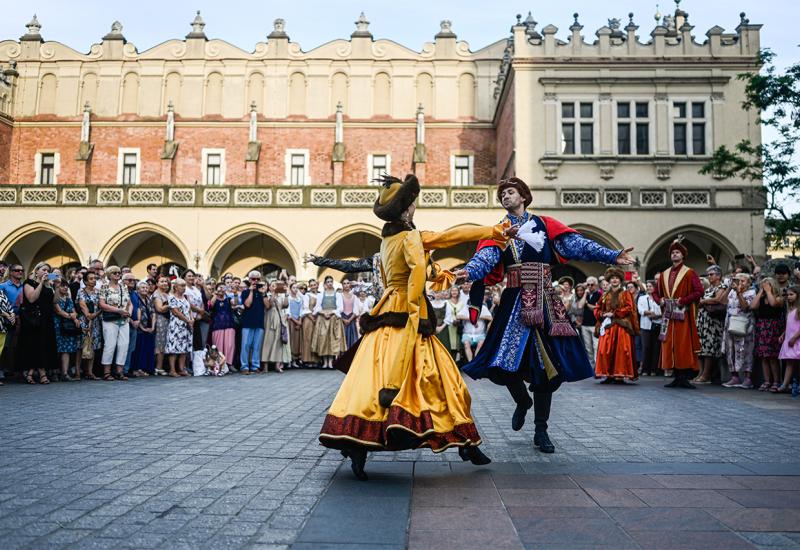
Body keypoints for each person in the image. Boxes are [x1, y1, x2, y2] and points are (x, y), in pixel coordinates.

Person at [320, 174, 511, 480]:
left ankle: (359, 444)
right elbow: (452, 236)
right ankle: (464, 440)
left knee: (370, 381)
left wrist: (447, 275)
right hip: (408, 316)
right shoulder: (411, 237)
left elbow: (421, 270)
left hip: (385, 314)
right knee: (446, 380)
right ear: (407, 208)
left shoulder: (386, 243)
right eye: (413, 204)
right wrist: (495, 230)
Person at [457, 177, 634, 454]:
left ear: (524, 196)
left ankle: (541, 429)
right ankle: (522, 401)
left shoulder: (544, 224)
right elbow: (485, 259)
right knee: (501, 362)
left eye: (511, 192)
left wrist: (612, 255)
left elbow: (578, 245)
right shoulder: (499, 230)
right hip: (514, 302)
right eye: (502, 194)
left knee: (546, 368)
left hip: (545, 302)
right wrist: (469, 271)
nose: (505, 197)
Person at [652, 238, 703, 389]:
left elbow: (699, 291)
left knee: (682, 344)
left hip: (683, 316)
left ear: (683, 255)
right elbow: (655, 293)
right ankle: (675, 376)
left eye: (677, 252)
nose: (674, 254)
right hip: (668, 315)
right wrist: (659, 300)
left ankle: (684, 377)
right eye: (673, 252)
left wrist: (683, 301)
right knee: (670, 344)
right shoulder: (664, 274)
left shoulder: (690, 273)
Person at [18, 262, 58, 384]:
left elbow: (55, 301)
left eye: (48, 270)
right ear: (36, 271)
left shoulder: (48, 285)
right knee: (35, 346)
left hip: (47, 319)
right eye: (44, 270)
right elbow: (32, 298)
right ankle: (42, 374)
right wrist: (41, 282)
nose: (46, 272)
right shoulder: (29, 283)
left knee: (44, 346)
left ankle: (31, 373)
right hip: (33, 320)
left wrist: (55, 286)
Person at [594, 267, 636, 384]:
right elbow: (597, 308)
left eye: (617, 278)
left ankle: (619, 375)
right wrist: (602, 314)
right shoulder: (605, 295)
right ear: (609, 280)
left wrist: (614, 313)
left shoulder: (626, 293)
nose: (614, 280)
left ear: (620, 280)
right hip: (608, 326)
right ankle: (608, 375)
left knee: (621, 351)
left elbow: (629, 308)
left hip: (621, 326)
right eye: (612, 278)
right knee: (605, 350)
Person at [722, 273, 756, 389]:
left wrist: (739, 292)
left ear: (748, 283)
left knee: (746, 350)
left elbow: (745, 307)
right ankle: (734, 377)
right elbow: (722, 302)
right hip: (730, 324)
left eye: (743, 281)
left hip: (744, 325)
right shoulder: (732, 291)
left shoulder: (751, 293)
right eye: (738, 281)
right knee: (730, 350)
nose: (740, 283)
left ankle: (748, 378)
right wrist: (729, 288)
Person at [694, 265, 728, 383]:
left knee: (709, 348)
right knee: (701, 347)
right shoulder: (708, 289)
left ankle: (706, 374)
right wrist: (703, 302)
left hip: (713, 322)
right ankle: (701, 372)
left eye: (711, 274)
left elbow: (718, 299)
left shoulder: (723, 286)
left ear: (718, 275)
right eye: (708, 275)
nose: (709, 277)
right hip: (702, 320)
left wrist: (704, 301)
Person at [98, 266, 132, 381]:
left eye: (119, 272)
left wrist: (128, 313)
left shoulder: (124, 287)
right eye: (115, 273)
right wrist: (118, 310)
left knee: (124, 345)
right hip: (110, 319)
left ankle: (119, 371)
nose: (118, 274)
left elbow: (129, 303)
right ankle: (106, 372)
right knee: (110, 345)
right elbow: (101, 304)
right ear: (109, 275)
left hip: (124, 320)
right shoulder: (104, 287)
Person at [751, 277, 785, 392]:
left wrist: (769, 292)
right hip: (762, 327)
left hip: (773, 328)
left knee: (772, 357)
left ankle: (776, 381)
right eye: (763, 285)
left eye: (767, 285)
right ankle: (766, 381)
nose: (765, 287)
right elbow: (753, 306)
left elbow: (773, 304)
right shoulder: (761, 297)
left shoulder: (779, 297)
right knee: (764, 357)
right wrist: (760, 292)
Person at [312, 275, 346, 369]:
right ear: (325, 284)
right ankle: (325, 361)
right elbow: (317, 307)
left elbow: (340, 308)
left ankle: (330, 361)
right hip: (323, 318)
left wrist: (331, 312)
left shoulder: (337, 294)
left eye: (331, 281)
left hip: (333, 318)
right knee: (323, 339)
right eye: (328, 282)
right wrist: (323, 313)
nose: (330, 283)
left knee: (332, 339)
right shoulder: (321, 295)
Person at [239, 270, 267, 374]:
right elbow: (247, 305)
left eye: (257, 279)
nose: (255, 281)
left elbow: (268, 306)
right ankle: (244, 367)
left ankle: (255, 366)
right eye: (253, 279)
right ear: (249, 280)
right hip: (248, 322)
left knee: (256, 346)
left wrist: (264, 293)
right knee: (245, 345)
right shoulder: (245, 292)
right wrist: (251, 291)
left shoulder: (262, 292)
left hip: (259, 322)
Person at [54, 280, 82, 381]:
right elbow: (59, 311)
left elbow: (75, 312)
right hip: (58, 325)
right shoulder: (55, 299)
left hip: (68, 326)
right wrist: (72, 316)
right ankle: (55, 371)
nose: (65, 288)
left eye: (66, 286)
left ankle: (65, 373)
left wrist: (75, 317)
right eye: (62, 286)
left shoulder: (69, 299)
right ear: (57, 287)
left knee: (67, 349)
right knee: (58, 348)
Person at [0, 263, 24, 380]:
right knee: (5, 346)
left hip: (22, 318)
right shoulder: (3, 286)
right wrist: (8, 314)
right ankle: (3, 369)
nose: (20, 272)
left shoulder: (25, 286)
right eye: (17, 270)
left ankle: (16, 369)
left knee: (18, 345)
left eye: (21, 270)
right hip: (6, 319)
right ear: (11, 272)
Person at [77, 271, 102, 380]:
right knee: (81, 347)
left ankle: (90, 372)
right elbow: (84, 309)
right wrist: (95, 314)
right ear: (85, 281)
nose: (94, 280)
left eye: (95, 278)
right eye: (91, 278)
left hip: (96, 322)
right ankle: (78, 372)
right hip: (84, 321)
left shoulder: (98, 292)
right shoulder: (81, 292)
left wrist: (95, 315)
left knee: (93, 346)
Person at [165, 278, 192, 377]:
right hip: (176, 325)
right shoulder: (171, 297)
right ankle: (172, 370)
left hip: (186, 326)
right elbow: (176, 312)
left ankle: (181, 369)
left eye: (185, 286)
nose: (184, 288)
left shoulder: (185, 297)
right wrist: (188, 321)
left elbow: (189, 310)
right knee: (174, 348)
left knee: (184, 348)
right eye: (181, 286)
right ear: (175, 287)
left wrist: (192, 319)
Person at [262, 280, 289, 373]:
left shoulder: (281, 296)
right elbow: (268, 306)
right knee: (267, 341)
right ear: (269, 287)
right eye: (273, 286)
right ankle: (265, 365)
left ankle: (277, 365)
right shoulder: (267, 295)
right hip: (269, 319)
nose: (275, 287)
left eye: (276, 286)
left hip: (279, 319)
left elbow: (285, 305)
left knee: (278, 342)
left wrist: (286, 294)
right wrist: (273, 294)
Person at [637, 280, 663, 376]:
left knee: (656, 348)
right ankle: (645, 369)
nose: (648, 288)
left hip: (657, 324)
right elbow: (640, 310)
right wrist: (651, 313)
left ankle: (654, 369)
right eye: (647, 286)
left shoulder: (659, 298)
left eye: (651, 286)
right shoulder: (642, 298)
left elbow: (662, 310)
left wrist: (656, 315)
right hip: (645, 325)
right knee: (646, 347)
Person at [777, 286, 800, 393]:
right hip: (790, 339)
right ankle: (785, 384)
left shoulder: (798, 310)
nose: (789, 297)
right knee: (789, 363)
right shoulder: (789, 310)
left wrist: (795, 337)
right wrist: (783, 334)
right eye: (788, 295)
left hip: (796, 340)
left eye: (792, 294)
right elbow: (790, 325)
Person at [209, 282, 236, 372]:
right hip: (217, 325)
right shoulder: (214, 297)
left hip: (229, 324)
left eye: (223, 287)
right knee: (218, 345)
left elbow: (234, 304)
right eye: (219, 287)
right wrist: (216, 294)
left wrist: (233, 294)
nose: (221, 289)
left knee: (229, 345)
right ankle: (219, 364)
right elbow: (210, 305)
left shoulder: (228, 298)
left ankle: (229, 364)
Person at [131, 281, 155, 377]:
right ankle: (137, 369)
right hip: (140, 329)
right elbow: (137, 315)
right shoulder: (136, 300)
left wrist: (153, 327)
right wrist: (142, 328)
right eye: (142, 287)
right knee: (139, 349)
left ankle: (145, 368)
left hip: (150, 328)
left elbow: (153, 313)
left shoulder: (149, 299)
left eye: (146, 287)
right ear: (138, 289)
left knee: (147, 349)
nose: (145, 289)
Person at [151, 276, 171, 376]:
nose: (164, 283)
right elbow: (159, 309)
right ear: (157, 284)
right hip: (160, 320)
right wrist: (171, 304)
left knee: (165, 343)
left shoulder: (167, 294)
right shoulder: (156, 294)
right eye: (162, 281)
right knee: (160, 343)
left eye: (166, 281)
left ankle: (163, 366)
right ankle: (158, 367)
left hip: (167, 320)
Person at [122, 273, 140, 377]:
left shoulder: (134, 293)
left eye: (133, 280)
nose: (132, 282)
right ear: (123, 281)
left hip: (134, 324)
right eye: (129, 280)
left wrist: (137, 320)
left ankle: (126, 369)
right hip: (124, 322)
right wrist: (131, 321)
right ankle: (119, 370)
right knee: (122, 347)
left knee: (131, 348)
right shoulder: (122, 292)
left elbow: (137, 308)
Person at [581, 277, 602, 367]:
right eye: (588, 284)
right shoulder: (585, 294)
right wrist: (585, 294)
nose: (590, 286)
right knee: (588, 347)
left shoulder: (599, 295)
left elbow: (596, 308)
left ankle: (597, 366)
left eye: (592, 284)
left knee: (596, 346)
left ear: (596, 285)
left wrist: (587, 304)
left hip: (594, 324)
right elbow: (580, 306)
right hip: (585, 324)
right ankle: (591, 365)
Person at [300, 279, 320, 367]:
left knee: (316, 339)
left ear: (317, 285)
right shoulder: (307, 295)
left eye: (314, 285)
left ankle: (316, 360)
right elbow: (305, 308)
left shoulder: (320, 295)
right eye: (311, 285)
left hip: (318, 318)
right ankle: (308, 360)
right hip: (309, 319)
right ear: (309, 286)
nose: (313, 286)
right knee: (308, 338)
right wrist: (312, 318)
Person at [287, 282, 304, 368]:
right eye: (293, 288)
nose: (295, 289)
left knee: (297, 341)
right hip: (291, 321)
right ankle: (289, 360)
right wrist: (296, 321)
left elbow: (301, 310)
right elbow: (288, 312)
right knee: (291, 340)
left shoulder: (299, 299)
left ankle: (294, 360)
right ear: (290, 289)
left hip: (298, 321)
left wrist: (300, 321)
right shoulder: (288, 298)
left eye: (296, 288)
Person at [340, 279, 359, 349]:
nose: (346, 285)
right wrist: (343, 319)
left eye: (348, 283)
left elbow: (356, 311)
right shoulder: (339, 296)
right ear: (342, 285)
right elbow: (337, 310)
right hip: (342, 319)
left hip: (351, 319)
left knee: (352, 339)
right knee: (343, 339)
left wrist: (349, 320)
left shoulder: (354, 297)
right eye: (344, 283)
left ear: (350, 285)